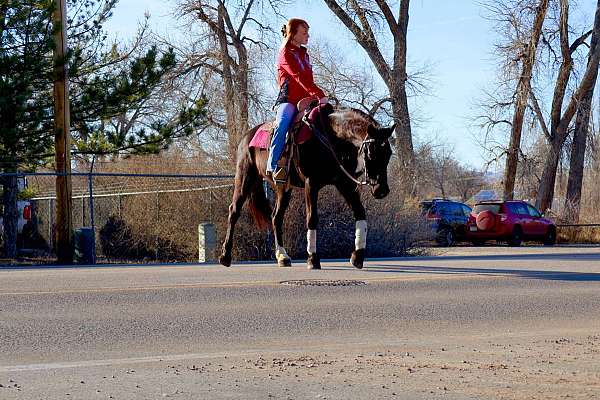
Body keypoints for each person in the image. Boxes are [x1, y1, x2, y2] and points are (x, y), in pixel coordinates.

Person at [267, 18, 328, 181]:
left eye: (308, 32)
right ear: (293, 34)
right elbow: (298, 77)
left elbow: (309, 81)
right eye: (304, 32)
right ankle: (272, 166)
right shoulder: (285, 53)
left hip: (306, 100)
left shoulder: (305, 55)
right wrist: (320, 94)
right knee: (283, 122)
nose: (307, 36)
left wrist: (315, 97)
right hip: (289, 100)